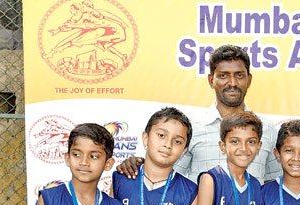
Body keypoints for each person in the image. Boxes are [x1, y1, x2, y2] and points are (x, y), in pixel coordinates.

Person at [116, 45, 280, 184]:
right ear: (211, 80)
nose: (232, 83)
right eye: (223, 76)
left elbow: (273, 185)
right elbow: (164, 173)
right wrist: (137, 164)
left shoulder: (267, 129)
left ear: (249, 80)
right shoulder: (192, 127)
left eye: (239, 75)